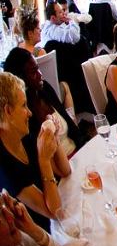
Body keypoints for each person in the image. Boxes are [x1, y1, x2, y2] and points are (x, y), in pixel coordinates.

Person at [0, 72, 71, 232]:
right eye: (24, 105)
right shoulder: (4, 167)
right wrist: (44, 160)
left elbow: (65, 170)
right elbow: (53, 212)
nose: (30, 113)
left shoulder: (22, 135)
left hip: (61, 212)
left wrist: (54, 136)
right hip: (46, 236)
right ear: (8, 111)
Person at [2, 49, 83, 157]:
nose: (40, 75)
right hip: (62, 167)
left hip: (77, 150)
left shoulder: (44, 89)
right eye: (33, 72)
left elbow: (70, 124)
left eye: (38, 68)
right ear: (21, 79)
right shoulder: (23, 116)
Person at [0, 190, 67, 246]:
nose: (11, 217)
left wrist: (33, 230)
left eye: (3, 206)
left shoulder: (16, 237)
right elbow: (55, 211)